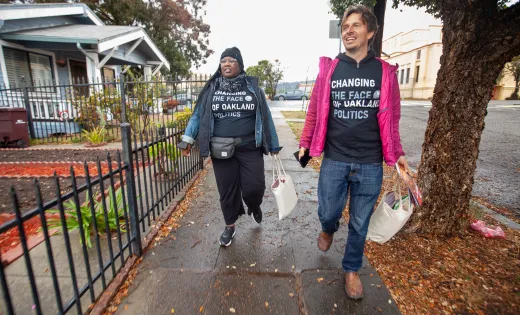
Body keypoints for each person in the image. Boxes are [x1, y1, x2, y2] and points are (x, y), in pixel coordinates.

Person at [298, 6, 410, 300]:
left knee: (360, 222)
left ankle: (351, 269)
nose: (348, 30)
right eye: (345, 26)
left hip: (370, 162)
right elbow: (315, 110)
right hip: (335, 158)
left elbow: (393, 117)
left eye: (355, 25)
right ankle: (328, 228)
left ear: (370, 32)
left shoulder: (385, 72)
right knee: (329, 211)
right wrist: (306, 141)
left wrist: (397, 152)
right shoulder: (331, 69)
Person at [180, 47, 281, 247]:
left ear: (240, 65)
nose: (226, 64)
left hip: (250, 147)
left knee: (255, 187)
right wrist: (188, 139)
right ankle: (230, 226)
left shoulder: (253, 89)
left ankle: (254, 205)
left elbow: (266, 117)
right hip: (221, 150)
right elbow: (198, 115)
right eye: (223, 60)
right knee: (227, 190)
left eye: (231, 60)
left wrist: (274, 144)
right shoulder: (212, 89)